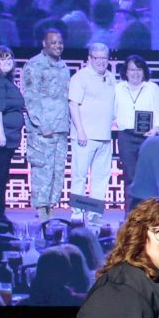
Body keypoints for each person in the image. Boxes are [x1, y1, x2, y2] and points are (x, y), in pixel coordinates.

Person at [22, 29, 69, 221]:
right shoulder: (34, 65)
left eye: (60, 42)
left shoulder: (64, 66)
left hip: (60, 129)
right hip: (43, 131)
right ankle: (42, 215)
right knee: (43, 171)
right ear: (44, 43)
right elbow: (31, 97)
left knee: (57, 172)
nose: (58, 45)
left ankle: (51, 211)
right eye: (53, 42)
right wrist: (41, 124)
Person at [67, 42, 115, 219]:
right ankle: (77, 212)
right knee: (80, 175)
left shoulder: (111, 77)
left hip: (105, 136)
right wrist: (80, 130)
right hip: (84, 136)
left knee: (100, 176)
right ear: (90, 58)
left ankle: (94, 212)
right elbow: (73, 104)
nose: (101, 62)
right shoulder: (80, 77)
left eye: (104, 58)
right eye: (97, 58)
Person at [113, 54, 159, 202]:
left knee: (148, 176)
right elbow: (111, 113)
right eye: (131, 70)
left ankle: (147, 213)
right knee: (129, 175)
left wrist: (156, 129)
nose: (135, 73)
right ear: (126, 72)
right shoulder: (118, 88)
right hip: (126, 137)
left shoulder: (152, 88)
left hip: (148, 138)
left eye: (139, 69)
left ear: (144, 71)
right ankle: (130, 214)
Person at [0, 47, 22, 228]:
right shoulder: (0, 82)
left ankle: (1, 213)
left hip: (10, 138)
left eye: (9, 59)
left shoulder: (8, 82)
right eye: (2, 59)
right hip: (3, 139)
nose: (6, 63)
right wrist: (0, 134)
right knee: (0, 178)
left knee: (3, 176)